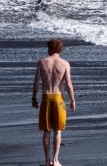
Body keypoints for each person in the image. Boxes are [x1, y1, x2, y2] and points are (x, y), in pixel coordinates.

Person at [32, 38, 76, 166]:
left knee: (46, 131)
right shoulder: (65, 64)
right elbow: (68, 84)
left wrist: (34, 98)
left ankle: (47, 160)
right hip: (58, 99)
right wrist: (72, 100)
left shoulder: (42, 62)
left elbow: (36, 83)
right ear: (60, 50)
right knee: (58, 130)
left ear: (50, 49)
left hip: (46, 98)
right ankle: (56, 160)